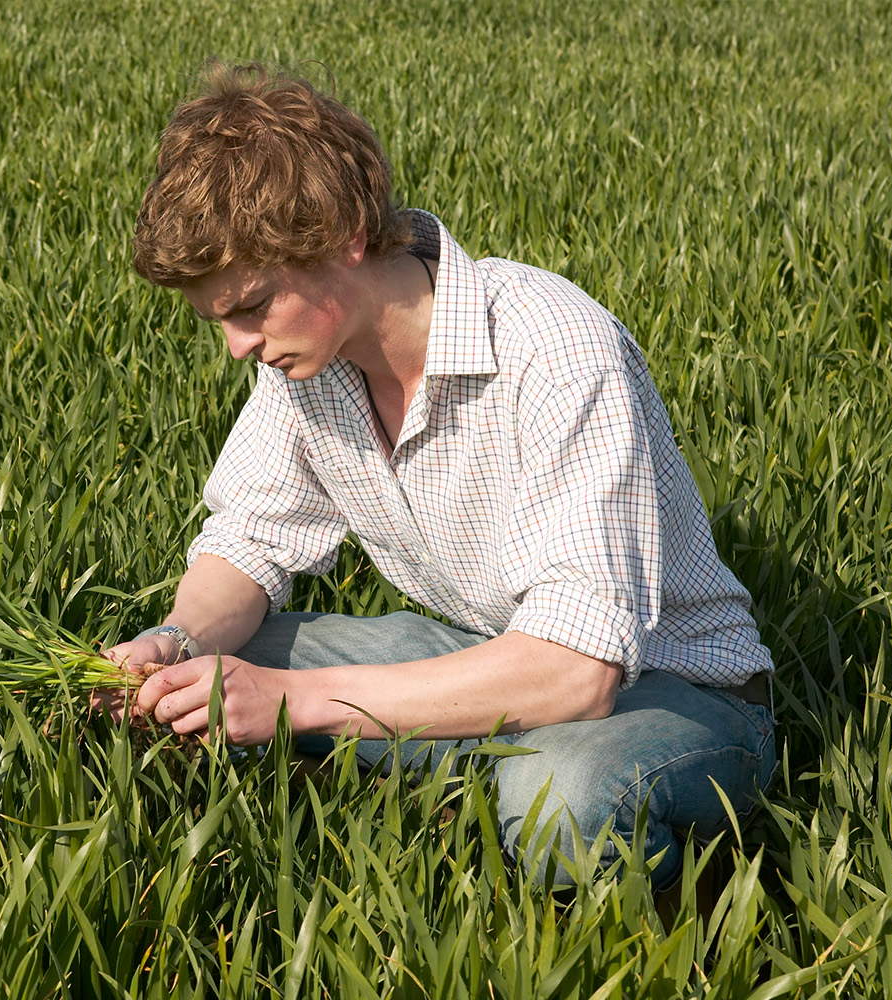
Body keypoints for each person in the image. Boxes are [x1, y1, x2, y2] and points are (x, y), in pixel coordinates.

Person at [94, 62, 777, 890]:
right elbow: (249, 540)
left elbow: (579, 670)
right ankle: (433, 793)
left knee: (565, 792)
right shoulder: (309, 370)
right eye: (218, 319)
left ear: (343, 236)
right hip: (488, 649)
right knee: (194, 684)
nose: (237, 345)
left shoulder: (554, 347)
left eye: (251, 307)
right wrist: (176, 643)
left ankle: (673, 927)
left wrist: (292, 702)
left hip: (672, 694)